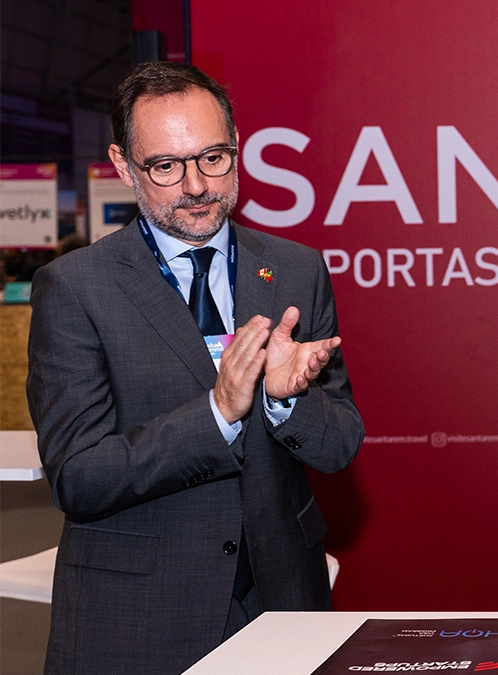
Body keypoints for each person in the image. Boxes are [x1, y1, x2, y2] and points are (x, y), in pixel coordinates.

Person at [25, 61, 364, 674]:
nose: (198, 185)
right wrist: (217, 414)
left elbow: (340, 444)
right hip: (137, 616)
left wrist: (285, 401)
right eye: (166, 166)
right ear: (124, 165)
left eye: (214, 157)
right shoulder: (74, 288)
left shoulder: (294, 269)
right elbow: (77, 476)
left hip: (283, 604)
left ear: (237, 148)